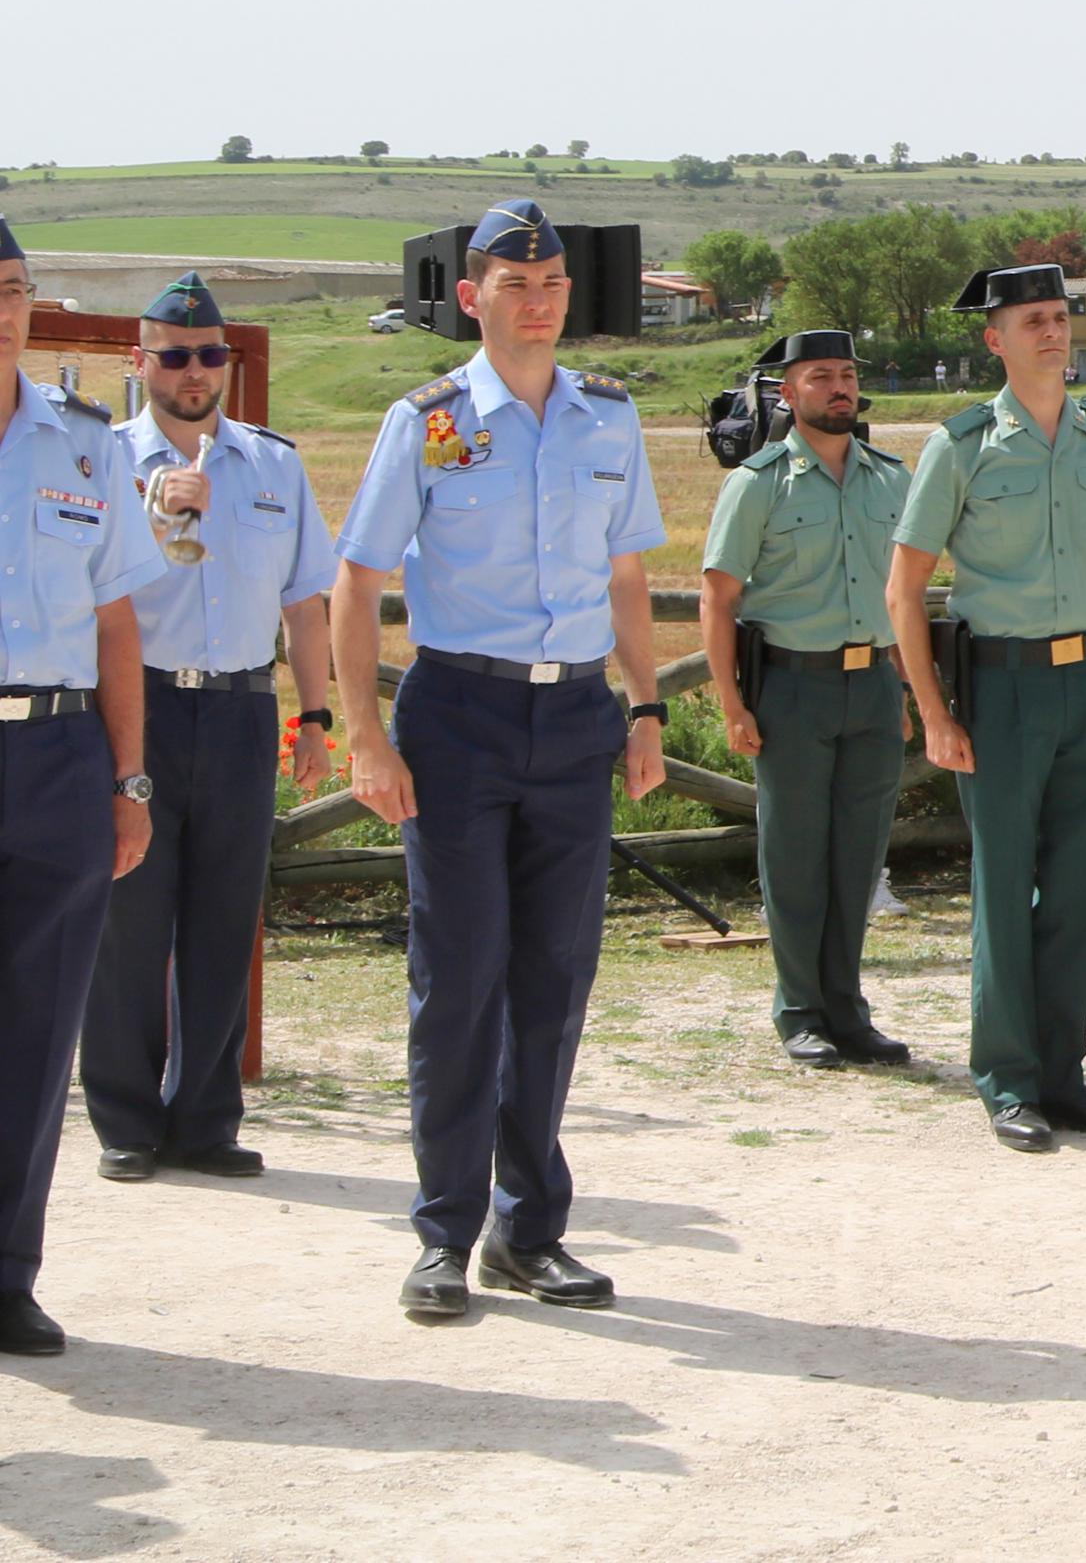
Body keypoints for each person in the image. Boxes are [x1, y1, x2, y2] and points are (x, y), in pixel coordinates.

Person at [331, 200, 670, 1322]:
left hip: (575, 718)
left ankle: (531, 1234)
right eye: (516, 284)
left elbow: (626, 576)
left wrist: (648, 705)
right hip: (459, 720)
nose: (540, 299)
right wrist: (364, 735)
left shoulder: (607, 419)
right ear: (472, 298)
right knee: (461, 979)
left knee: (555, 980)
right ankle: (442, 1234)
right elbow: (359, 580)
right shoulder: (425, 421)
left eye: (556, 282)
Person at [888, 261, 1086, 1154]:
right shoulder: (960, 446)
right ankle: (1007, 1078)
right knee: (1006, 885)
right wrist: (934, 713)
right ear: (993, 339)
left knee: (1080, 887)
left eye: (1059, 316)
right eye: (1031, 319)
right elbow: (905, 587)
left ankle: (1063, 1073)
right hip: (999, 686)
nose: (1051, 331)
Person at [88, 273, 332, 1182]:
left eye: (209, 355)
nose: (196, 372)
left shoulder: (273, 464)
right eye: (177, 355)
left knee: (226, 917)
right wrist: (162, 518)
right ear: (141, 361)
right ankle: (125, 1119)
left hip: (237, 705)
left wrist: (313, 713)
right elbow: (96, 600)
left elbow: (306, 600)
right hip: (138, 703)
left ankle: (206, 1120)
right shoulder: (106, 460)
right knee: (130, 918)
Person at [0, 219, 164, 1357]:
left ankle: (8, 1271)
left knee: (36, 1028)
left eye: (14, 288)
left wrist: (129, 777)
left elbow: (116, 620)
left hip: (57, 759)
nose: (3, 306)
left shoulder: (82, 442)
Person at [701, 327, 915, 1070]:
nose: (839, 387)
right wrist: (732, 704)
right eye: (820, 376)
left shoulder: (893, 479)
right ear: (787, 393)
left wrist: (907, 685)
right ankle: (800, 1010)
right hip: (791, 686)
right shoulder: (757, 483)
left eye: (848, 375)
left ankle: (847, 1009)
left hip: (872, 684)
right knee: (795, 856)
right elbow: (718, 598)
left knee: (857, 857)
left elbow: (904, 593)